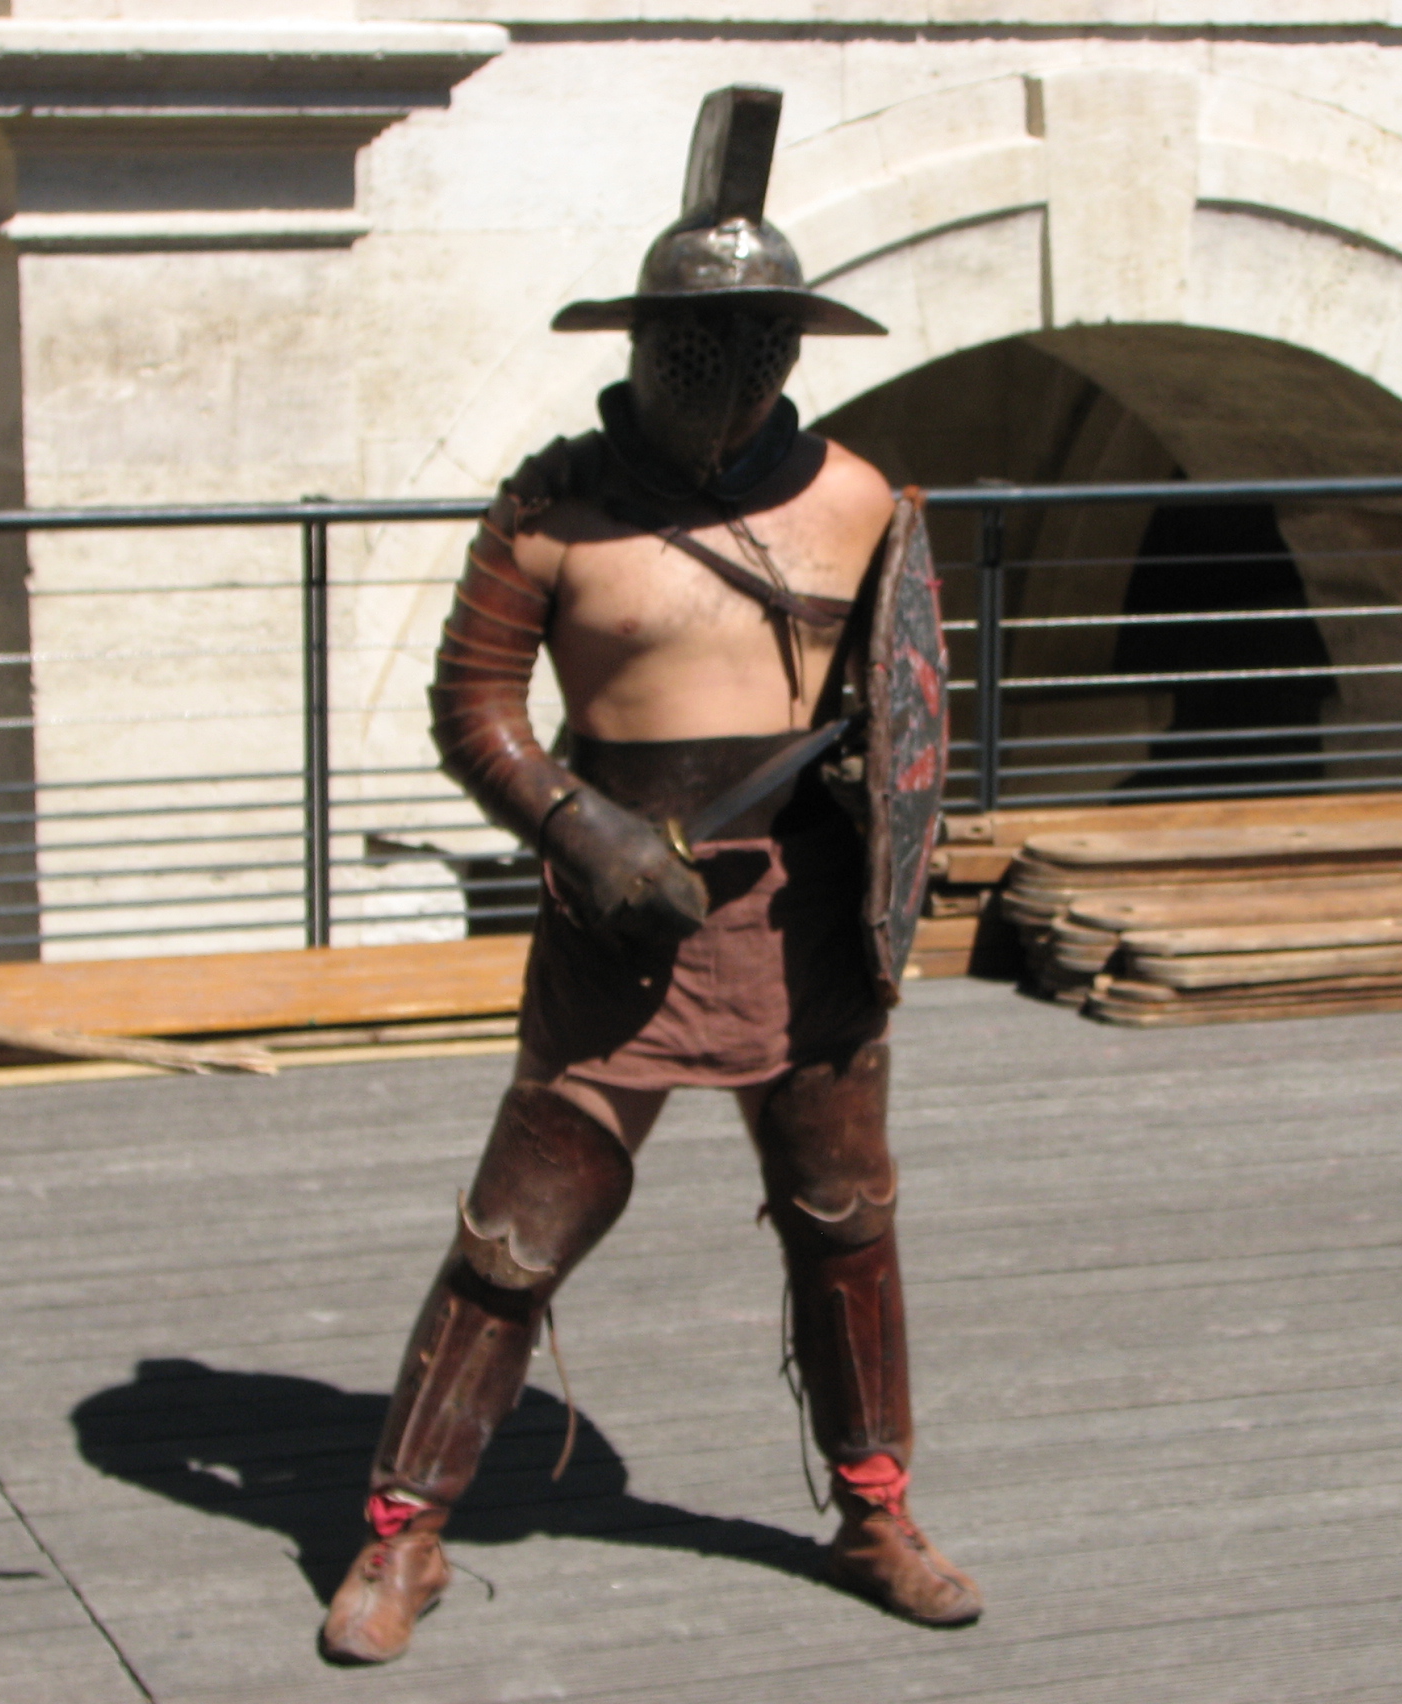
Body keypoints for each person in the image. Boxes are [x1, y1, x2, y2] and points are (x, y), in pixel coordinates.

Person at [318, 86, 981, 1664]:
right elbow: (474, 708)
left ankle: (876, 1506)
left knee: (843, 1215)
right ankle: (403, 1534)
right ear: (643, 342)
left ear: (794, 346)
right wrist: (581, 828)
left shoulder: (859, 500)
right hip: (620, 925)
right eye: (701, 339)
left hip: (807, 919)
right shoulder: (554, 510)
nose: (728, 365)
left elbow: (898, 709)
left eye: (758, 339)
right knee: (519, 1231)